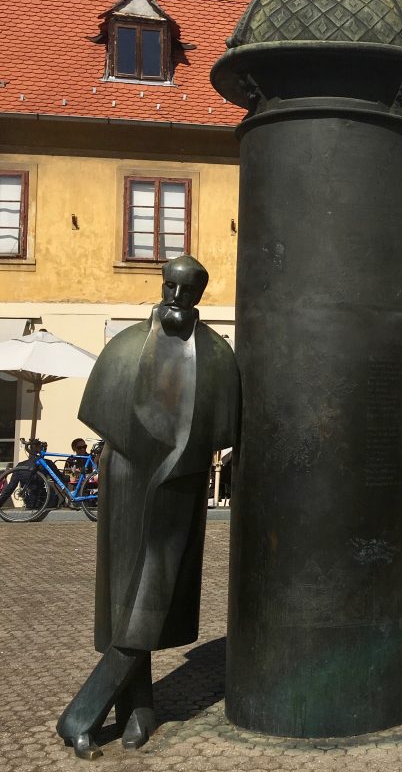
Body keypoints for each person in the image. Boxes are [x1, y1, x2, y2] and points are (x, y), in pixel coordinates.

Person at [56, 255, 240, 759]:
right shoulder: (126, 346)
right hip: (126, 477)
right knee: (125, 600)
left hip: (180, 485)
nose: (176, 299)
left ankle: (82, 716)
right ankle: (137, 710)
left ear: (200, 295)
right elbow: (102, 409)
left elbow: (224, 427)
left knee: (153, 598)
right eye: (170, 288)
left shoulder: (218, 356)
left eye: (187, 292)